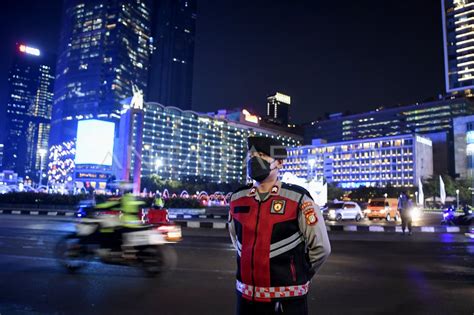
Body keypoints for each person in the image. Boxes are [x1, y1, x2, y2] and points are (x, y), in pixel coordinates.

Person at [228, 136, 331, 315]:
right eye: (251, 155)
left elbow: (321, 248)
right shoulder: (237, 198)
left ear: (280, 163)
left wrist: (299, 274)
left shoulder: (298, 199)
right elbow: (236, 240)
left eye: (262, 155)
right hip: (245, 298)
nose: (254, 160)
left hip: (287, 300)